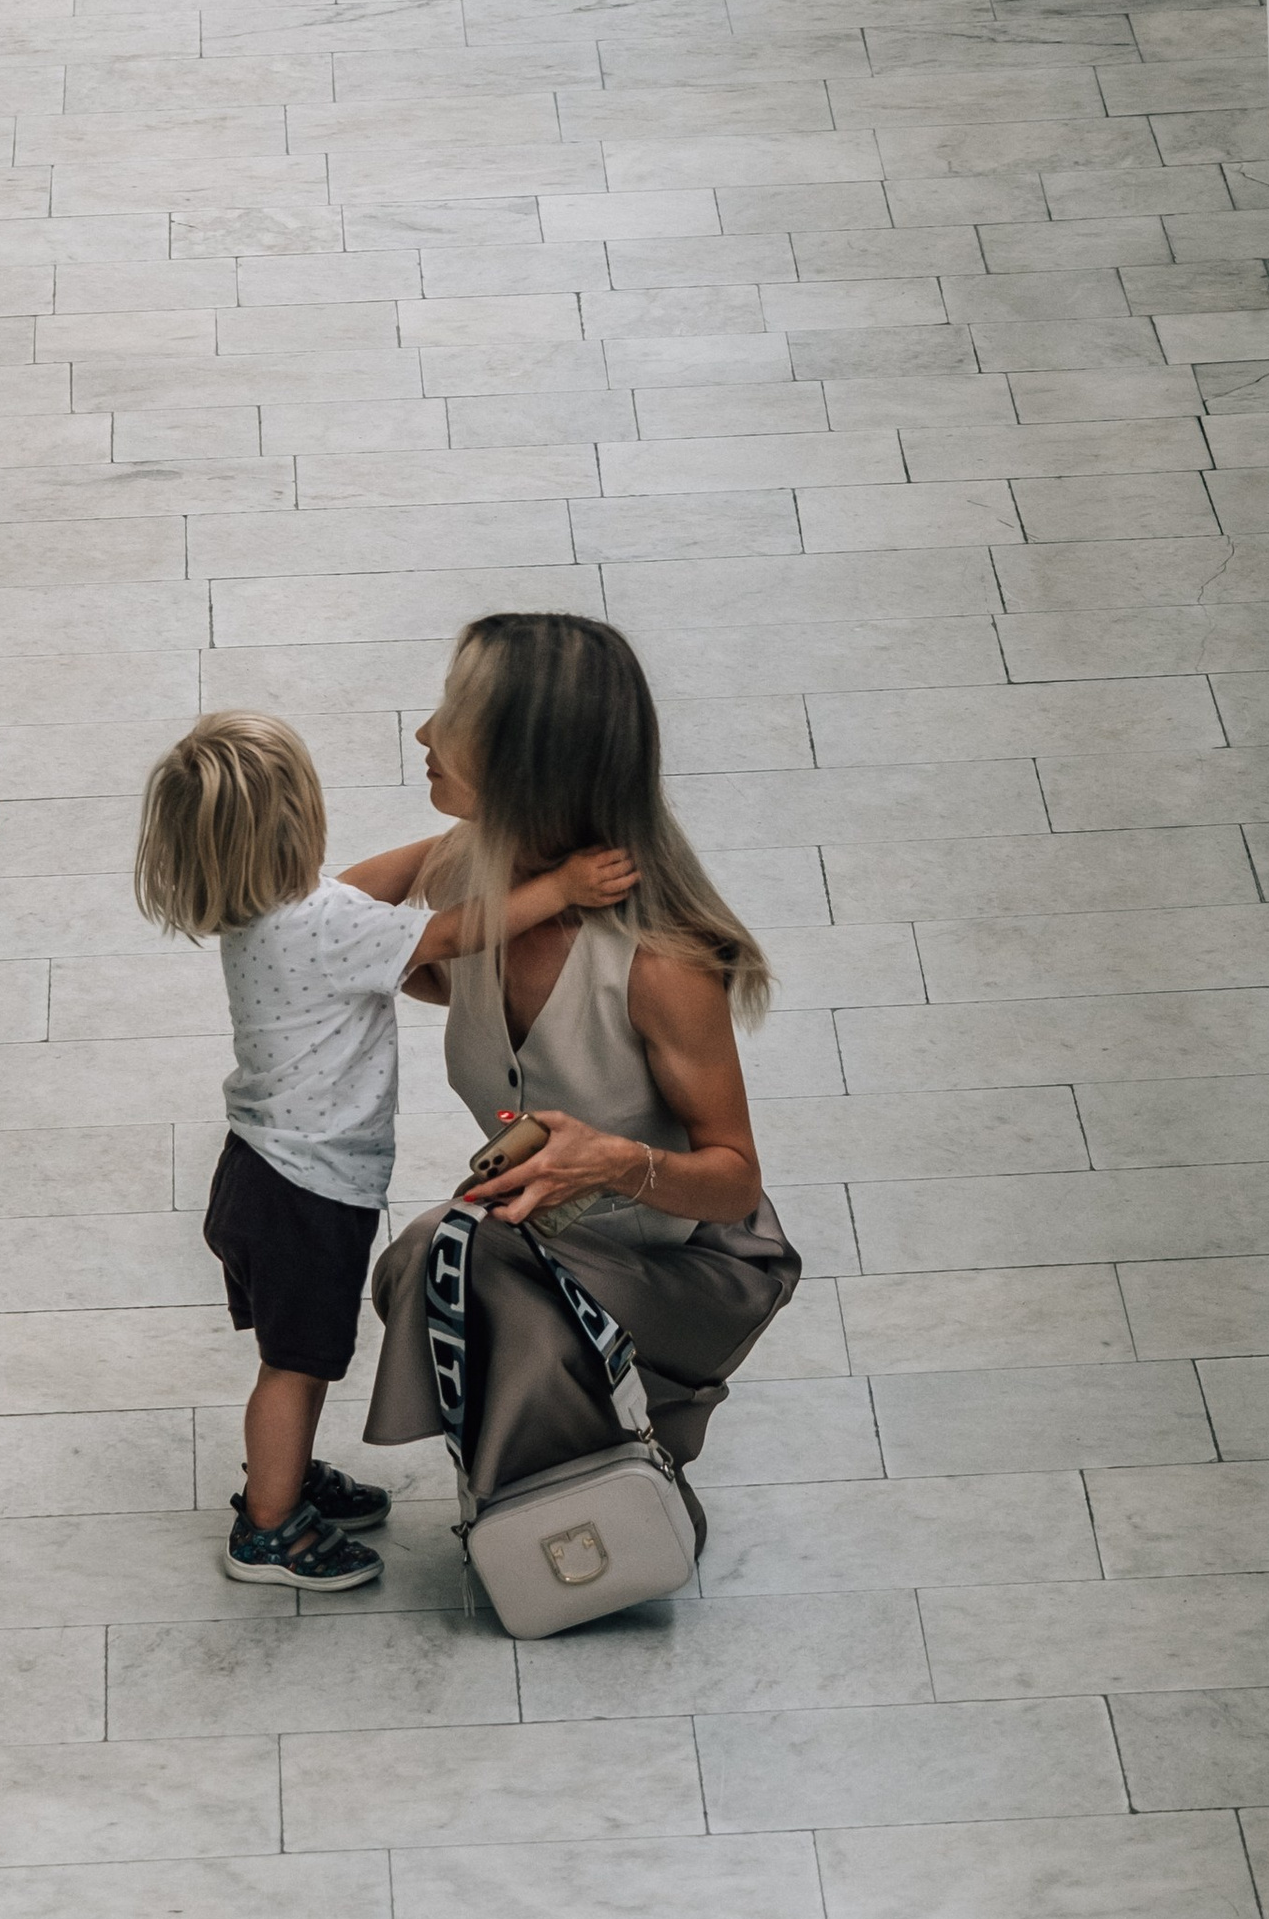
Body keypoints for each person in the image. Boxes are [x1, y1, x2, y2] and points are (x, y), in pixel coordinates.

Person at [133, 707, 637, 1590]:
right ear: (302, 820)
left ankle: (284, 1474)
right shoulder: (329, 928)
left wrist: (459, 840)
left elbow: (372, 886)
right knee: (296, 1368)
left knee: (295, 1357)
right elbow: (450, 933)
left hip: (258, 1172)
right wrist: (560, 887)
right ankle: (269, 1527)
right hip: (309, 1192)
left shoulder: (264, 914)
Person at [359, 613, 799, 1546]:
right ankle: (552, 1493)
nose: (424, 733)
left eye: (453, 717)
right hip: (545, 1249)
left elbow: (735, 1181)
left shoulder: (661, 964)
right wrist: (445, 914)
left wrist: (610, 1162)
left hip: (685, 1265)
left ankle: (594, 1494)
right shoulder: (471, 882)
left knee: (448, 1250)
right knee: (447, 1261)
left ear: (527, 761)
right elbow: (333, 924)